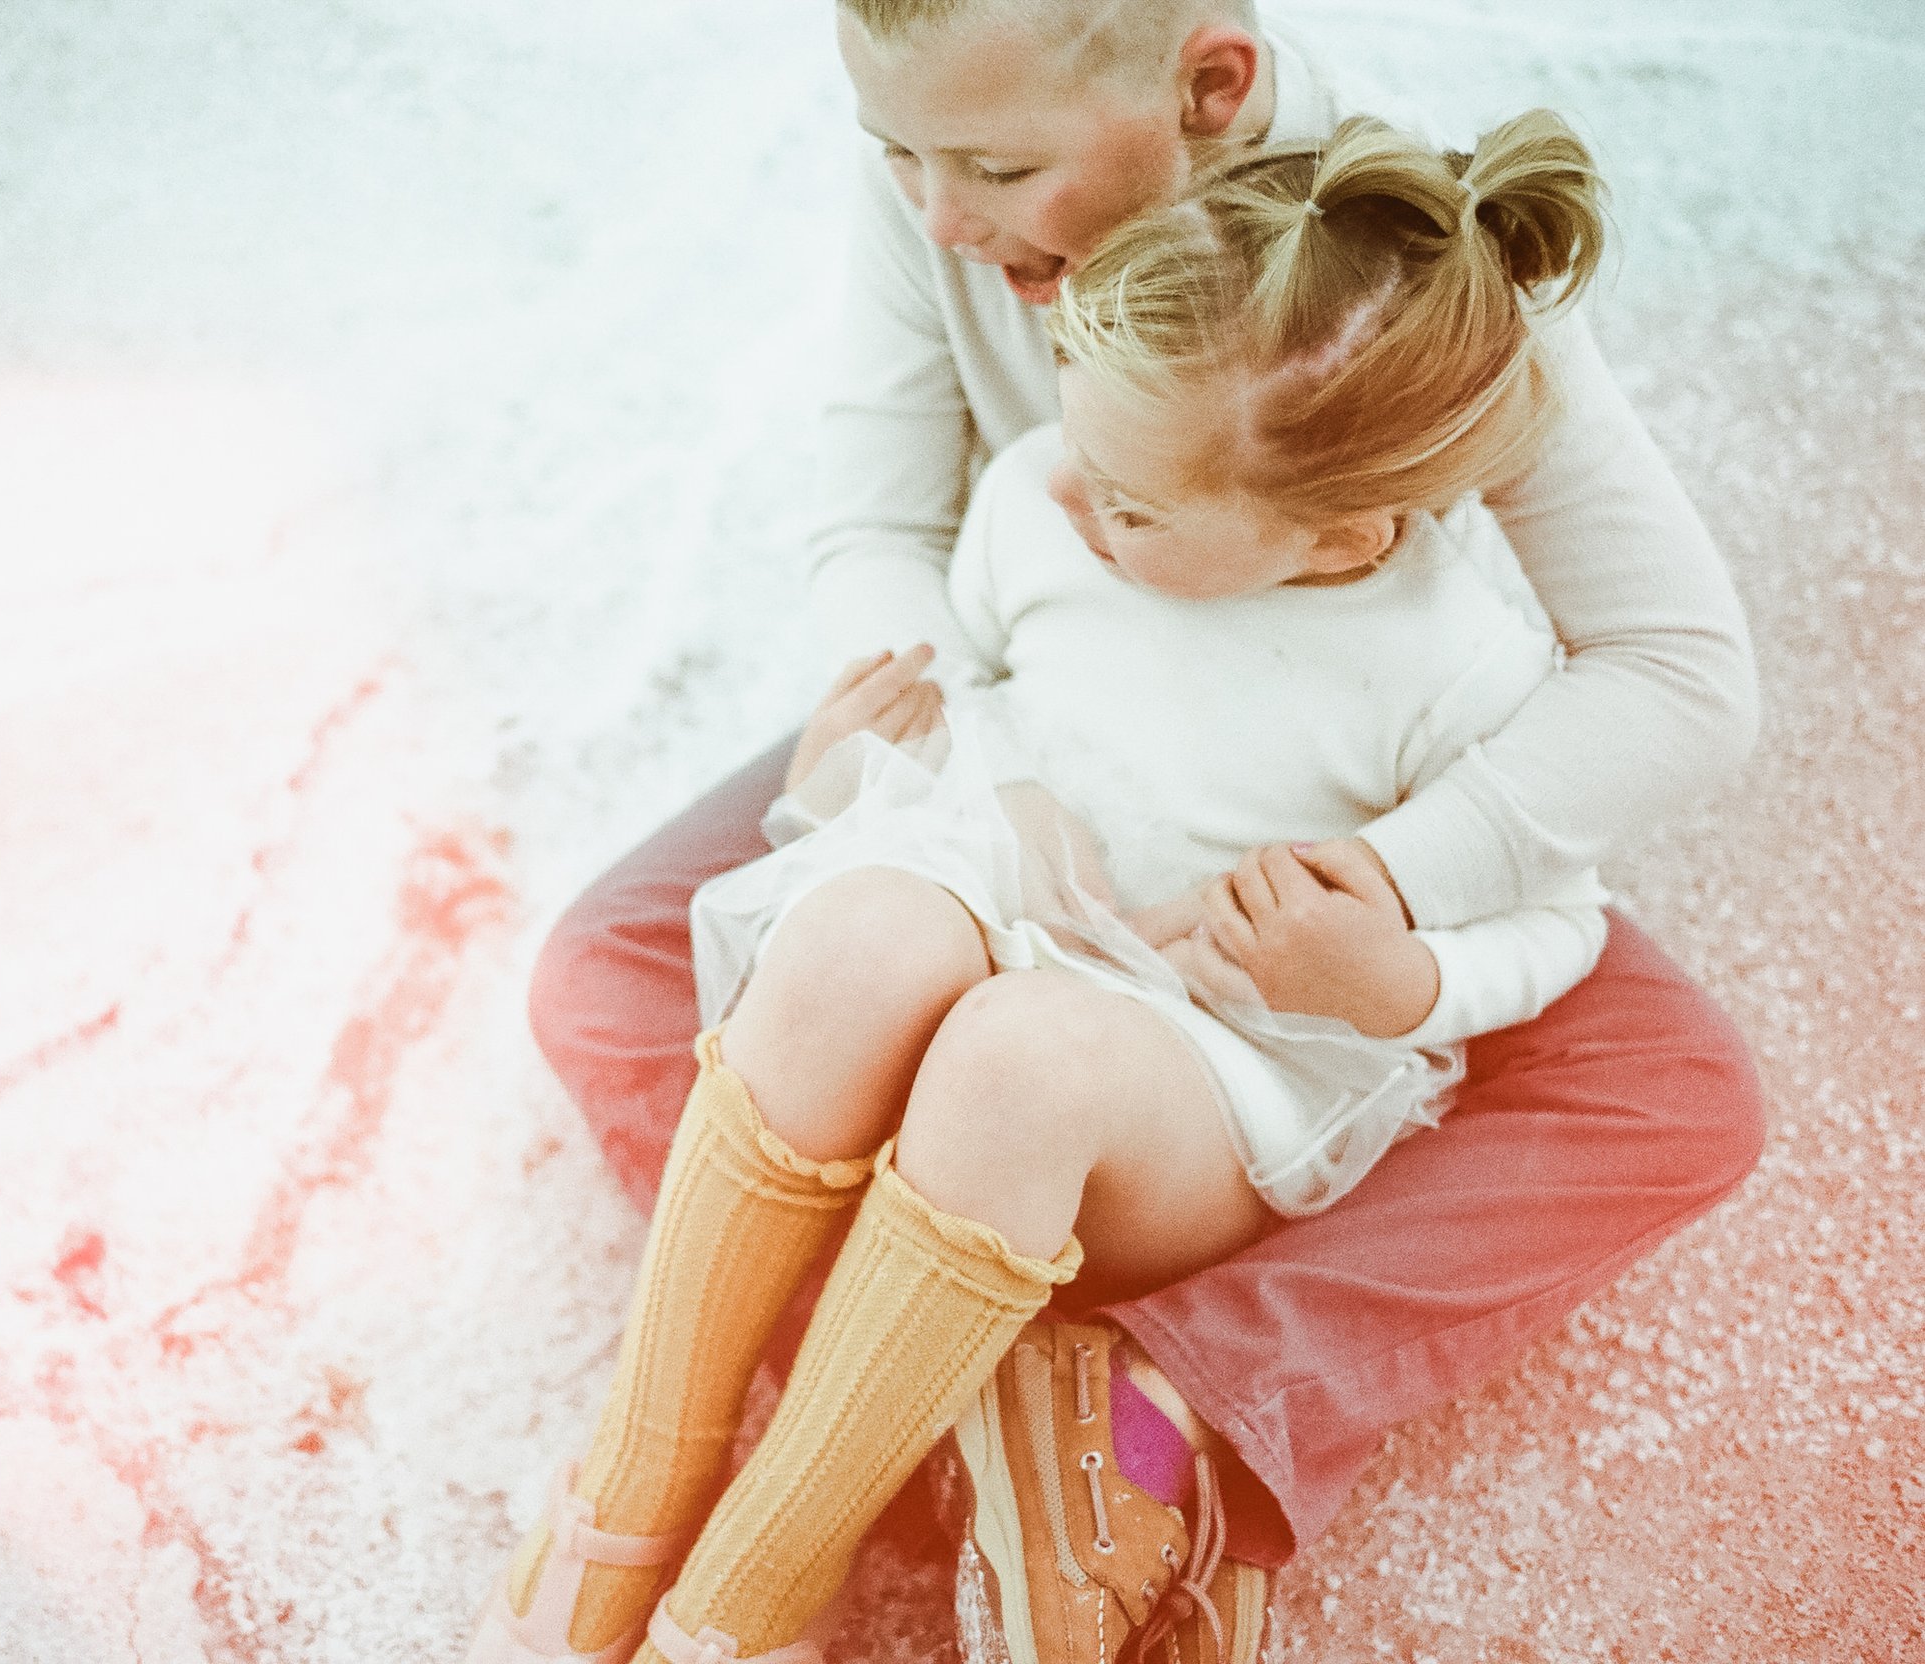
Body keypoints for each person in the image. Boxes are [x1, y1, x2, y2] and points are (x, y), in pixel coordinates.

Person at [522, 0, 1762, 1654]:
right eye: (894, 155)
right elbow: (883, 518)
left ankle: (1153, 1400)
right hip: (1028, 715)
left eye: (993, 167)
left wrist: (1368, 894)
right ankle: (922, 1398)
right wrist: (942, 765)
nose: (936, 216)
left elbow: (1679, 675)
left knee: (1675, 1094)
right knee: (610, 972)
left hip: (1287, 847)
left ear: (1215, 88)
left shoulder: (1403, 268)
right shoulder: (952, 196)